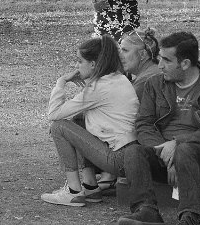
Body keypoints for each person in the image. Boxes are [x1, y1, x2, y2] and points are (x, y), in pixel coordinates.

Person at [117, 32, 200, 225]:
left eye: (167, 60)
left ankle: (190, 216)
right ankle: (147, 211)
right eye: (159, 58)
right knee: (134, 152)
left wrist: (177, 145)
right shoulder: (155, 84)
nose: (160, 65)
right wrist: (165, 152)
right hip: (163, 154)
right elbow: (144, 125)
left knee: (185, 151)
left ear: (185, 63)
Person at [41, 35, 140, 207]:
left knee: (59, 127)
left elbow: (54, 114)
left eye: (80, 61)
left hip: (118, 160)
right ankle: (90, 187)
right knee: (79, 120)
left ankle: (73, 192)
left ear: (93, 64)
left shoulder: (98, 88)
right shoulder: (117, 78)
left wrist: (61, 82)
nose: (76, 66)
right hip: (129, 156)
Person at [119, 28, 160, 98]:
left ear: (143, 54)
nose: (120, 55)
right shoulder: (154, 71)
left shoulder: (145, 81)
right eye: (120, 50)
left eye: (125, 50)